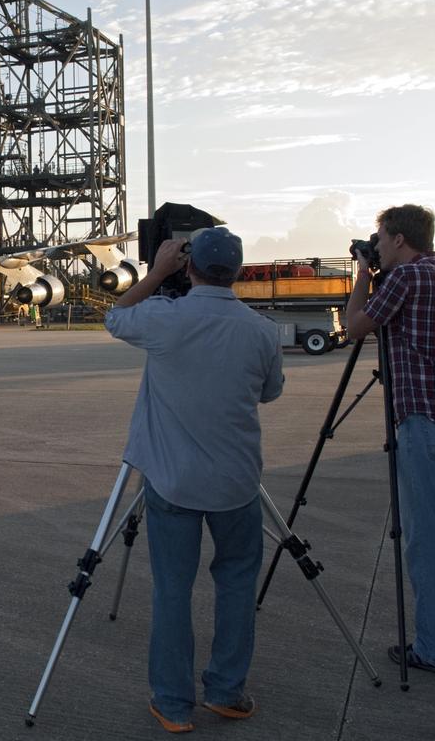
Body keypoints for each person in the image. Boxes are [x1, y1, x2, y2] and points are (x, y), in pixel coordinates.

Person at [105, 228, 283, 734]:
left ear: (189, 267)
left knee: (172, 591)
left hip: (172, 480)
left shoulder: (165, 318)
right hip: (237, 483)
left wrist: (155, 272)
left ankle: (174, 702)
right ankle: (227, 691)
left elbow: (115, 317)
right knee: (235, 586)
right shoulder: (261, 331)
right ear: (240, 272)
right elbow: (270, 392)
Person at [346, 204, 435, 677]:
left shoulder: (404, 279)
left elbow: (356, 327)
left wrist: (364, 274)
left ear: (400, 240)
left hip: (425, 421)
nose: (380, 246)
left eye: (382, 239)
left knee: (428, 539)